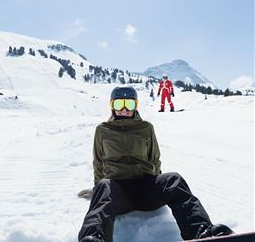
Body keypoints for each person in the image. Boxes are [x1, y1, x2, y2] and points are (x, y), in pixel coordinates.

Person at [78, 87, 233, 242]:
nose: (124, 109)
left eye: (129, 104)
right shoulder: (103, 130)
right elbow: (98, 163)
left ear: (136, 106)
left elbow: (154, 158)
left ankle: (201, 232)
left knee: (173, 179)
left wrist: (160, 188)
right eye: (119, 104)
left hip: (145, 189)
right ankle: (95, 238)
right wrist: (98, 191)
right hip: (119, 193)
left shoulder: (146, 128)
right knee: (104, 185)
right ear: (112, 106)